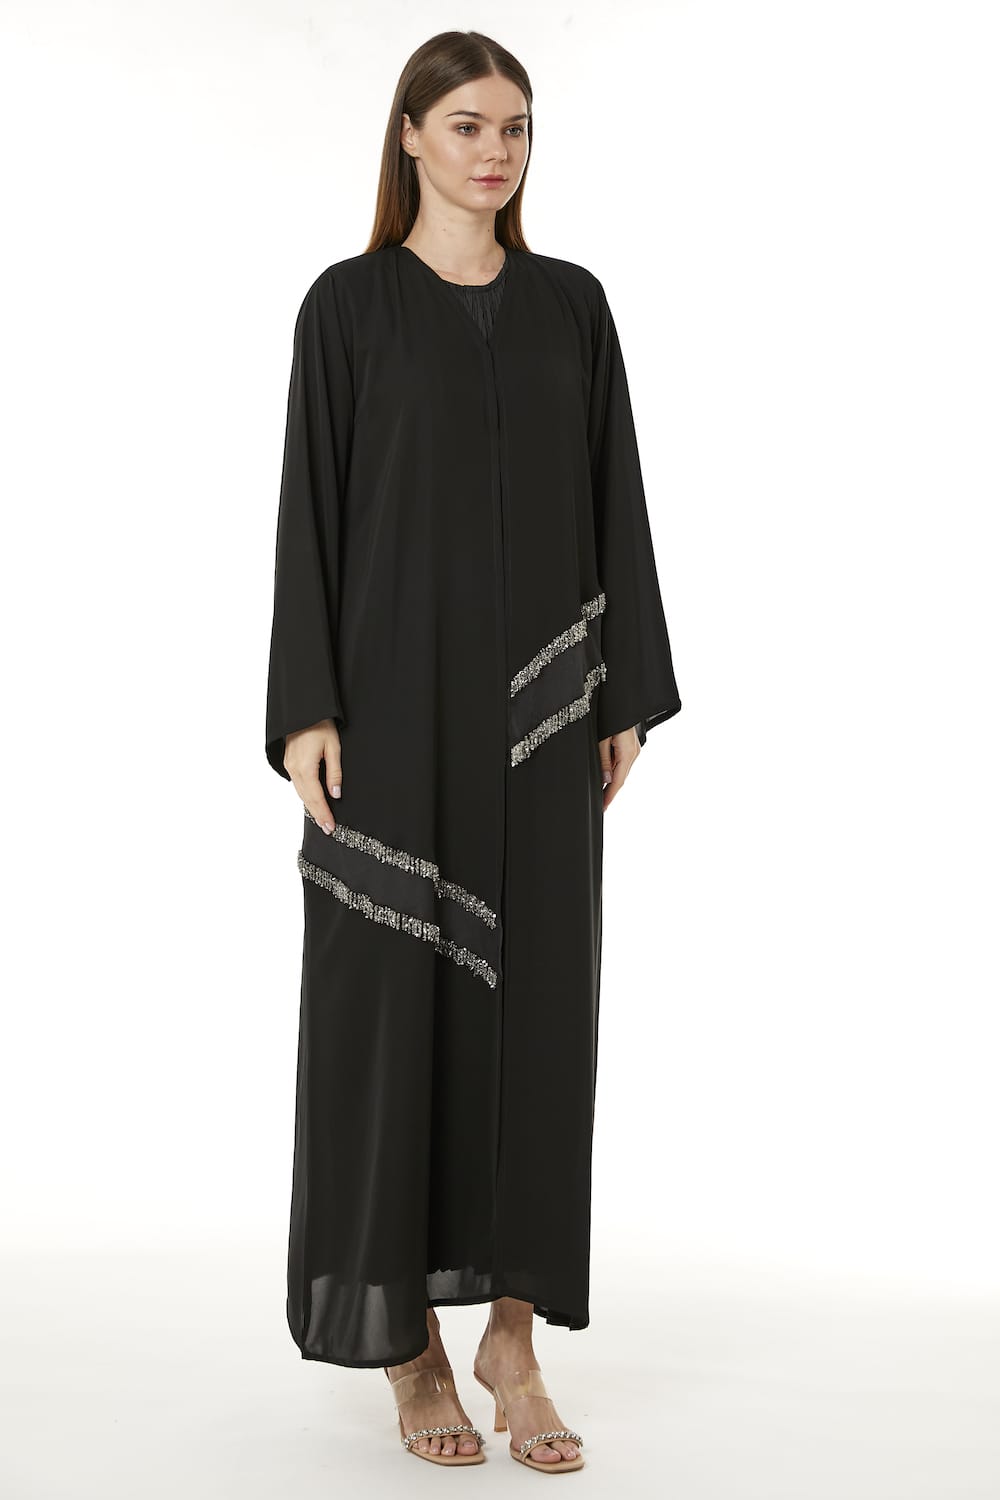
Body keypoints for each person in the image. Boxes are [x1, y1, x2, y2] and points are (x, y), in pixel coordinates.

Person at [264, 29, 682, 1473]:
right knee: (386, 1018)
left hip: (544, 722)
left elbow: (615, 492)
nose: (494, 151)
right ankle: (410, 1347)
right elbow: (310, 510)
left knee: (538, 1018)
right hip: (389, 717)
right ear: (409, 137)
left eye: (513, 128)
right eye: (465, 126)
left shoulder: (573, 307)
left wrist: (622, 691)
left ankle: (513, 1337)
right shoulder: (349, 307)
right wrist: (307, 707)